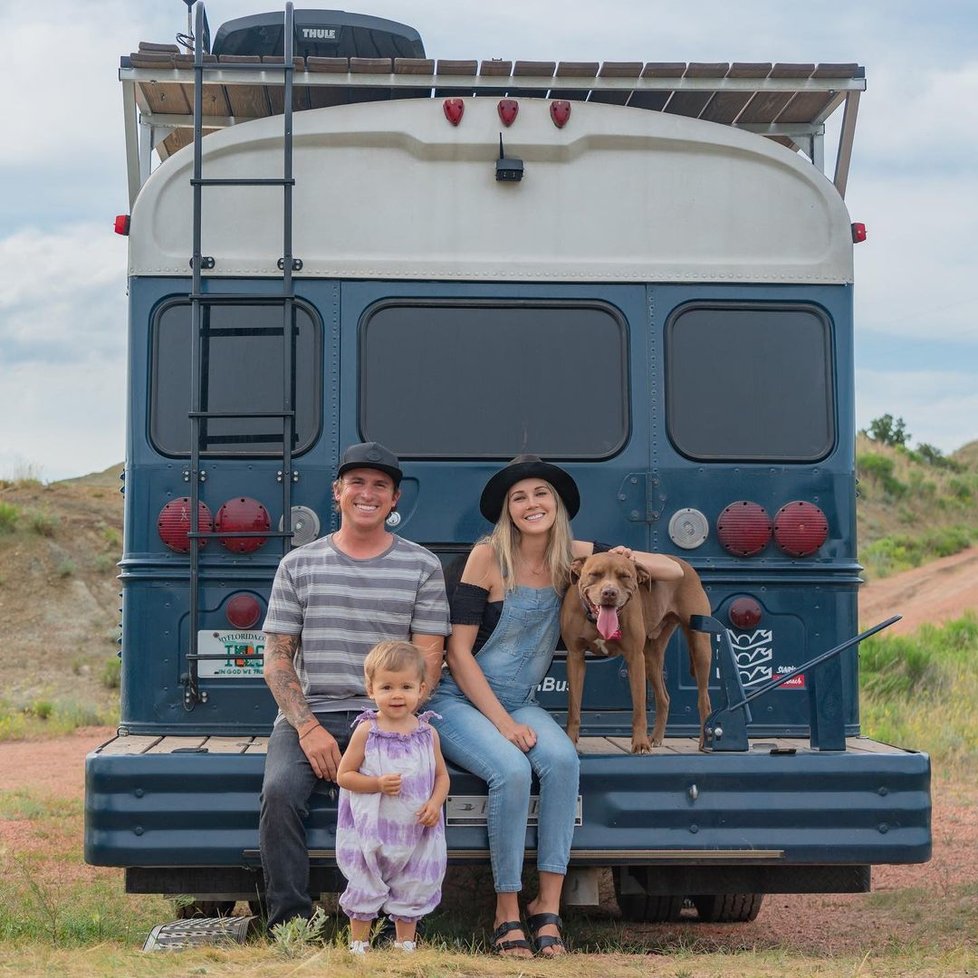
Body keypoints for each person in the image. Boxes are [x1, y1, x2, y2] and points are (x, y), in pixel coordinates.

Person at [428, 454, 682, 958]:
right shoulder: (486, 557)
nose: (531, 504)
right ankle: (505, 911)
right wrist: (501, 725)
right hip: (458, 701)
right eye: (518, 497)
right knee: (512, 771)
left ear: (557, 504)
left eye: (541, 493)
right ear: (507, 511)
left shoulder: (578, 557)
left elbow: (672, 568)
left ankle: (548, 909)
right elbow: (456, 653)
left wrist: (630, 558)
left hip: (518, 701)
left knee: (564, 761)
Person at [259, 442, 451, 929]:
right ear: (338, 492)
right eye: (357, 483)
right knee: (279, 793)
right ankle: (291, 923)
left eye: (380, 486)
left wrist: (392, 724)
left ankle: (395, 920)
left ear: (395, 500)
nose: (368, 493)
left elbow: (429, 660)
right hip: (314, 713)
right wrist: (307, 729)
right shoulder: (297, 565)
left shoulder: (422, 566)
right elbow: (278, 660)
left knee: (404, 796)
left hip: (392, 717)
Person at [336, 640, 450, 954]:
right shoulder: (367, 731)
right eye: (386, 687)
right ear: (371, 690)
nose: (396, 695)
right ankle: (358, 944)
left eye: (406, 686)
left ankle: (405, 944)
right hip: (373, 830)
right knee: (364, 880)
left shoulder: (427, 733)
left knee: (412, 882)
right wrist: (376, 784)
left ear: (421, 689)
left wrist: (435, 803)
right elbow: (344, 775)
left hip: (415, 828)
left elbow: (441, 776)